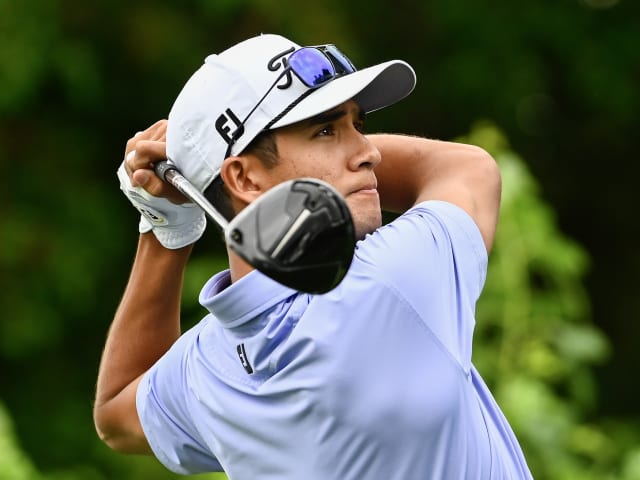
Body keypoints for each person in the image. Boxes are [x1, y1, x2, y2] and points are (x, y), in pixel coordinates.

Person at [93, 33, 533, 480]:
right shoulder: (391, 280)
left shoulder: (209, 372)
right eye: (326, 130)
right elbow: (467, 168)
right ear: (244, 177)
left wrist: (168, 224)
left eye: (356, 126)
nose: (370, 152)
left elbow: (116, 414)